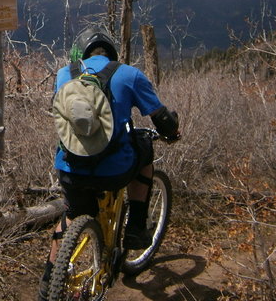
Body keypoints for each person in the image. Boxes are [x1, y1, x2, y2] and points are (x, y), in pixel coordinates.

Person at [38, 28, 180, 301]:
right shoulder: (129, 74)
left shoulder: (63, 75)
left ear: (82, 52)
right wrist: (172, 132)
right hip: (115, 171)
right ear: (111, 52)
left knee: (71, 214)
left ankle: (47, 283)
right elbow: (160, 117)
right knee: (145, 149)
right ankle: (138, 226)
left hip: (70, 169)